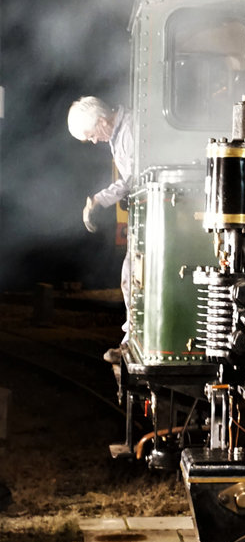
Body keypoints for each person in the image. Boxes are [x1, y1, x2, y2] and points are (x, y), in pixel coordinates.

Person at [67, 96, 134, 362]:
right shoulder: (119, 134)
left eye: (91, 134)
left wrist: (98, 199)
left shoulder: (128, 131)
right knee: (130, 277)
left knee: (132, 277)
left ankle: (132, 342)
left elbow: (132, 179)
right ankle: (131, 341)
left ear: (101, 120)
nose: (94, 140)